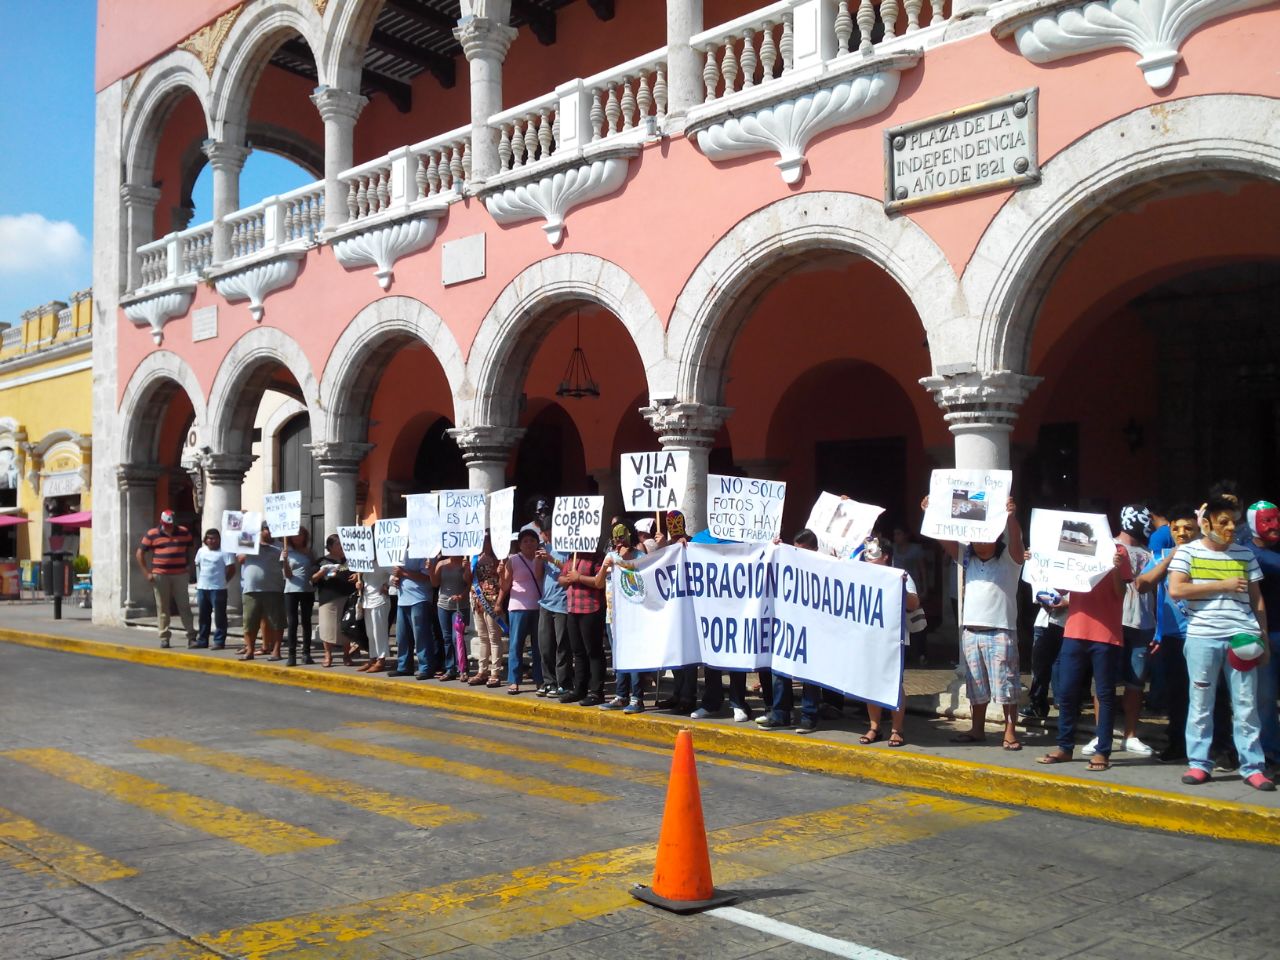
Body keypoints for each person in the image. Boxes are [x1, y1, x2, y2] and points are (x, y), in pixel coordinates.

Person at [1167, 495, 1273, 790]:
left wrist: (1263, 638)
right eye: (1222, 521)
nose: (1230, 527)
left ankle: (1252, 766)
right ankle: (1199, 763)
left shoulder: (1245, 554)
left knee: (1246, 704)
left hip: (1242, 636)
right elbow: (1176, 590)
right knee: (1201, 703)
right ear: (1206, 523)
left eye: (1233, 521)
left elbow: (1257, 599)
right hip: (1203, 636)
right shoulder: (1187, 553)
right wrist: (1222, 585)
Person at [924, 495, 1026, 750]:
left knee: (1007, 684)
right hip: (971, 630)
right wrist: (931, 510)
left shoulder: (1009, 560)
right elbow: (942, 537)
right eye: (975, 537)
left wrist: (1011, 516)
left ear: (995, 537)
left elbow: (1017, 541)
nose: (978, 541)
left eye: (984, 536)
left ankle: (1010, 731)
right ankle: (977, 728)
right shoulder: (966, 556)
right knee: (976, 685)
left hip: (1000, 629)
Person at [1038, 534, 1130, 772]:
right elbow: (1058, 587)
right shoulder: (1076, 550)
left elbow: (1122, 593)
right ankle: (1065, 747)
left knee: (1104, 694)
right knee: (1066, 692)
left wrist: (1117, 570)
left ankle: (1103, 752)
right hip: (1074, 631)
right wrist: (1036, 561)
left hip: (1107, 634)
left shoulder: (1119, 551)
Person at [1081, 505, 1156, 757]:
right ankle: (1101, 734)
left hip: (1143, 624)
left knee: (1136, 682)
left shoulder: (1151, 552)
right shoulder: (1105, 546)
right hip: (1111, 622)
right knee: (1103, 683)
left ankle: (1130, 735)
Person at [1135, 504, 1198, 762]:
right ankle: (1178, 744)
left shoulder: (1208, 555)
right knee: (1177, 695)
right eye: (1176, 529)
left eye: (1188, 529)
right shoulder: (1161, 556)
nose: (1182, 533)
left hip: (1204, 634)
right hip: (1173, 638)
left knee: (1210, 694)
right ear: (1170, 530)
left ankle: (1221, 747)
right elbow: (1142, 584)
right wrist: (1172, 558)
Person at [757, 528, 824, 734]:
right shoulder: (787, 561)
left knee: (809, 673)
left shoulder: (824, 565)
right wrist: (774, 549)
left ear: (815, 549)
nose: (798, 553)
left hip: (812, 627)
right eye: (795, 549)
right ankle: (780, 714)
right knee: (780, 669)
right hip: (787, 624)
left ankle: (809, 716)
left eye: (803, 550)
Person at [861, 536, 920, 747]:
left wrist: (901, 587)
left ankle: (897, 729)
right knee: (870, 682)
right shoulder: (858, 574)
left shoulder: (900, 575)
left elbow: (913, 603)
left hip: (893, 639)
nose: (868, 555)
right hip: (868, 637)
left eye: (873, 552)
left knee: (894, 682)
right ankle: (874, 727)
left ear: (885, 556)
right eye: (866, 551)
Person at [1242, 500, 1280, 766]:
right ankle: (1269, 750)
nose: (1274, 525)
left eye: (1276, 519)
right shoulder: (1245, 555)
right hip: (1262, 633)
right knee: (1264, 697)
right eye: (1267, 520)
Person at [602, 523, 650, 715]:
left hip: (634, 615)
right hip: (613, 615)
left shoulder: (641, 558)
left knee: (634, 657)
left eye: (622, 536)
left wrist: (624, 563)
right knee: (619, 656)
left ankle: (637, 698)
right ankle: (621, 695)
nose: (619, 540)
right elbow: (599, 582)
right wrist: (605, 568)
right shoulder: (610, 557)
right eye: (616, 537)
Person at [135, 508, 196, 649]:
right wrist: (147, 573)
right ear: (161, 522)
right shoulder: (152, 534)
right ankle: (164, 637)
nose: (169, 528)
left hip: (180, 574)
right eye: (167, 525)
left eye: (171, 525)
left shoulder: (184, 532)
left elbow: (191, 548)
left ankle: (191, 635)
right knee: (162, 607)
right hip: (160, 574)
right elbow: (140, 554)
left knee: (184, 606)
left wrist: (189, 566)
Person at [558, 548, 607, 706]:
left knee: (593, 651)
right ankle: (580, 688)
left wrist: (579, 578)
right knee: (578, 651)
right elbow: (562, 578)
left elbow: (600, 582)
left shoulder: (598, 557)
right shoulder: (573, 556)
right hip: (573, 609)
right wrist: (566, 580)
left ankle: (596, 691)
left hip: (591, 608)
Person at [236, 522, 285, 661]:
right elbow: (240, 559)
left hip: (274, 588)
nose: (269, 532)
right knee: (250, 621)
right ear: (261, 530)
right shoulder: (249, 541)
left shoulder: (281, 546)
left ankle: (276, 651)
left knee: (276, 622)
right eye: (267, 529)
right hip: (251, 589)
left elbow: (285, 564)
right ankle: (250, 650)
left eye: (272, 530)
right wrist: (254, 545)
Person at [502, 529, 544, 694]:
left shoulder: (543, 558)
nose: (529, 544)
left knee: (539, 647)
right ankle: (514, 681)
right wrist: (501, 573)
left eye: (532, 540)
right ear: (519, 544)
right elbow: (505, 586)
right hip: (518, 608)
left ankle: (540, 679)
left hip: (539, 607)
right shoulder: (513, 560)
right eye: (525, 541)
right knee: (516, 645)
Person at [535, 525, 573, 698]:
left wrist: (551, 559)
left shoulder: (567, 547)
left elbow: (570, 570)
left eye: (549, 532)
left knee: (562, 646)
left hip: (562, 604)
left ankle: (563, 683)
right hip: (546, 603)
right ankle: (548, 681)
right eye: (544, 533)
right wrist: (538, 559)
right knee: (545, 645)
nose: (547, 536)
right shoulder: (545, 547)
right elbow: (538, 575)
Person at [1021, 586, 1069, 721]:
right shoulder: (1049, 567)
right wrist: (1045, 600)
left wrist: (1068, 602)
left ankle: (1066, 707)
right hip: (1044, 621)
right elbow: (1038, 586)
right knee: (1039, 666)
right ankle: (1038, 705)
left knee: (1063, 667)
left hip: (1070, 623)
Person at [313, 534, 356, 668]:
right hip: (328, 598)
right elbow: (312, 579)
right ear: (330, 547)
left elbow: (359, 574)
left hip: (347, 597)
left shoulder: (350, 560)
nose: (342, 547)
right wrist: (321, 573)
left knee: (345, 627)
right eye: (338, 544)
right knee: (327, 627)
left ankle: (346, 655)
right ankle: (328, 655)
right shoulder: (322, 561)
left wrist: (356, 576)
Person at [468, 536, 506, 687]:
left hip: (493, 600)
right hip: (477, 600)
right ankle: (482, 671)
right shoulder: (474, 558)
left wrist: (500, 602)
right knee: (482, 637)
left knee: (494, 637)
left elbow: (504, 581)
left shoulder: (500, 558)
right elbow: (467, 579)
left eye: (487, 541)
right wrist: (466, 567)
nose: (484, 544)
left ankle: (495, 672)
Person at [391, 554, 435, 680]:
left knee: (421, 636)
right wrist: (395, 579)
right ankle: (404, 666)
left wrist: (403, 573)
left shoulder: (425, 552)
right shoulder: (399, 550)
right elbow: (397, 574)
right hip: (402, 599)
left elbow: (426, 577)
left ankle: (425, 668)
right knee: (402, 636)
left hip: (419, 599)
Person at [193, 529, 235, 651]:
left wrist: (224, 581)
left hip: (218, 589)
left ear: (219, 539)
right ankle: (202, 640)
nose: (212, 541)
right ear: (205, 540)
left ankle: (219, 641)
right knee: (203, 616)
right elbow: (198, 566)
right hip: (202, 588)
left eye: (215, 538)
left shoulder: (225, 551)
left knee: (220, 616)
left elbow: (232, 569)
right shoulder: (201, 551)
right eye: (209, 538)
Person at [431, 554, 471, 681]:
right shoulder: (441, 564)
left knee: (457, 638)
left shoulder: (465, 562)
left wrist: (462, 595)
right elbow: (435, 583)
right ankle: (450, 669)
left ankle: (462, 669)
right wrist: (431, 569)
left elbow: (469, 584)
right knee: (446, 638)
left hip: (460, 605)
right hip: (443, 605)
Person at [280, 528, 316, 667]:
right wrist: (284, 560)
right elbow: (287, 575)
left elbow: (314, 569)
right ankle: (291, 654)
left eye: (300, 535)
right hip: (291, 590)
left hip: (307, 590)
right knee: (292, 622)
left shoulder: (309, 552)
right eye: (294, 535)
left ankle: (306, 653)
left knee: (306, 622)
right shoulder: (287, 552)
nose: (297, 537)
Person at [356, 565, 391, 673]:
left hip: (380, 600)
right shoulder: (364, 562)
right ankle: (372, 657)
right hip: (367, 600)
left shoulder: (384, 561)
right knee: (370, 633)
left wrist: (387, 585)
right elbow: (363, 579)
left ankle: (381, 659)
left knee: (379, 632)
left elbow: (395, 572)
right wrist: (359, 583)